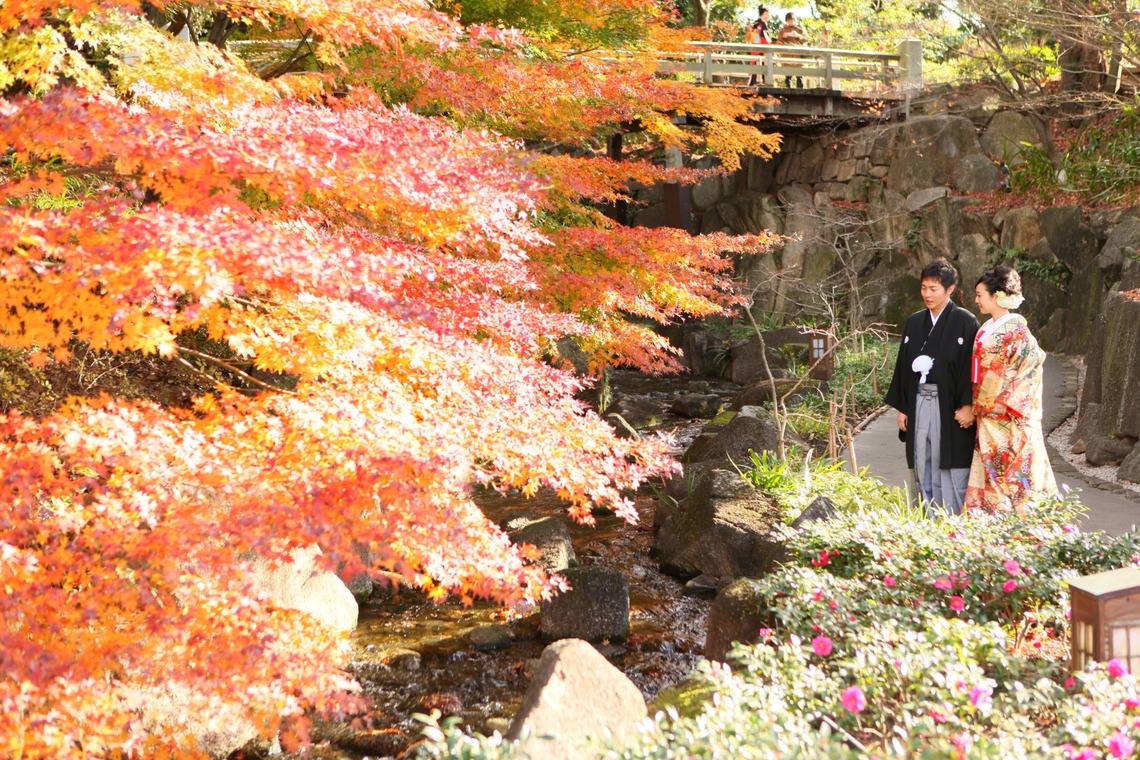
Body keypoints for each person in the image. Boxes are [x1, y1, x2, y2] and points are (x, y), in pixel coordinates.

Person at [884, 258, 979, 517]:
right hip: (918, 402)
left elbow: (970, 368)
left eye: (933, 289)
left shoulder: (965, 321)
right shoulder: (914, 323)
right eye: (924, 287)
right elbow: (904, 366)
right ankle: (926, 516)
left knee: (948, 459)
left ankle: (951, 518)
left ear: (950, 289)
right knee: (921, 457)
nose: (927, 294)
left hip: (949, 404)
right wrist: (903, 407)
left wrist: (968, 404)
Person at [964, 266, 1058, 512]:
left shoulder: (1017, 328)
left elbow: (1032, 363)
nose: (976, 300)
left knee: (1013, 472)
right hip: (986, 413)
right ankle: (990, 524)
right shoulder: (986, 328)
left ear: (996, 296)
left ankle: (1019, 526)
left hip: (1008, 413)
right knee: (989, 470)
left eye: (980, 295)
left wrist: (1006, 400)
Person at [776, 11, 808, 88]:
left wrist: (798, 36)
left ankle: (800, 93)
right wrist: (783, 37)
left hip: (799, 56)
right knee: (788, 77)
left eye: (792, 20)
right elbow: (778, 43)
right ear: (786, 21)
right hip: (787, 56)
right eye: (789, 20)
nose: (791, 22)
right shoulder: (782, 30)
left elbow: (806, 39)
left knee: (800, 77)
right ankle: (789, 94)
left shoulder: (800, 29)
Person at [746, 6, 771, 86]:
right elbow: (764, 38)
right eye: (768, 14)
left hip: (756, 47)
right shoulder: (762, 23)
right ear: (765, 14)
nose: (769, 16)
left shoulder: (757, 22)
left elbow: (750, 29)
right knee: (763, 66)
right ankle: (761, 83)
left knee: (756, 66)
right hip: (761, 48)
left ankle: (753, 83)